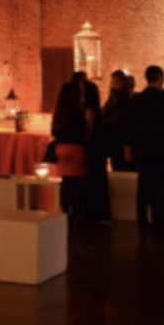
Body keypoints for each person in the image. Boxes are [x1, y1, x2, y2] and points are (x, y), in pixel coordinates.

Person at [127, 65, 164, 238]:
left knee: (144, 188)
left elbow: (130, 127)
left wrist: (129, 146)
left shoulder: (137, 100)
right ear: (161, 78)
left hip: (144, 151)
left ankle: (143, 222)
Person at [52, 72, 109, 228]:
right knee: (78, 182)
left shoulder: (58, 113)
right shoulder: (77, 112)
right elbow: (84, 131)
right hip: (76, 149)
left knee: (66, 181)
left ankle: (65, 212)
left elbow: (54, 132)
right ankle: (78, 214)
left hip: (61, 149)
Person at [99, 70, 135, 173]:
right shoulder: (121, 97)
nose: (110, 84)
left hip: (117, 138)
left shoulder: (117, 98)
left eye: (112, 81)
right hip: (118, 139)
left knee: (120, 168)